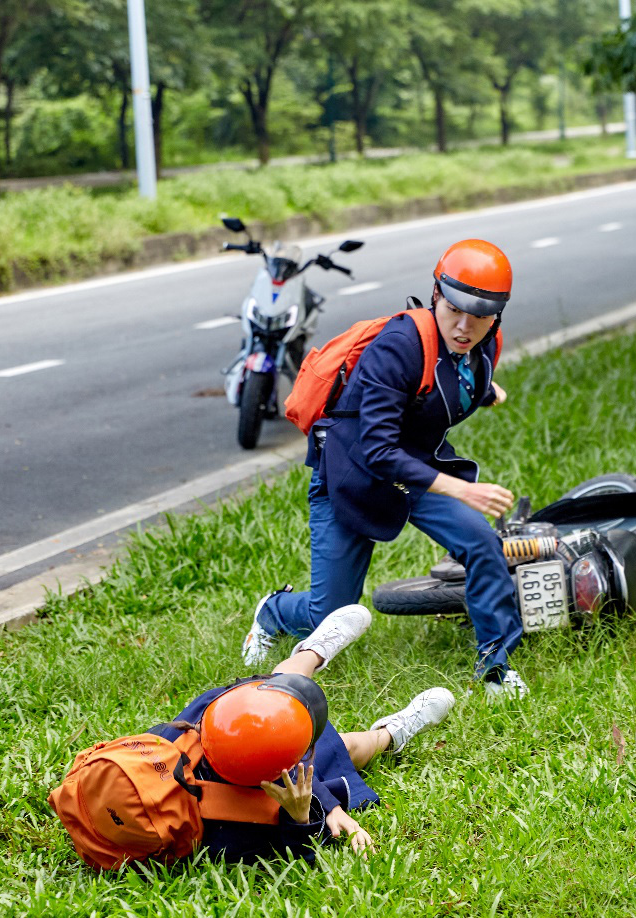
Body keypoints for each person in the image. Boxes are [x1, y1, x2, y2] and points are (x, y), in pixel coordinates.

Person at [242, 239, 528, 698]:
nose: (464, 325)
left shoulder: (483, 344)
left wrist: (485, 391)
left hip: (414, 469)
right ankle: (273, 612)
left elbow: (453, 375)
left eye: (481, 315)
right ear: (436, 294)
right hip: (352, 473)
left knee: (482, 543)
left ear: (497, 314)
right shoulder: (398, 345)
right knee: (329, 613)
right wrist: (461, 490)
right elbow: (377, 449)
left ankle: (494, 666)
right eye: (455, 309)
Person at [152, 604, 453, 862]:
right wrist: (303, 815)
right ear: (277, 773)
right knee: (340, 749)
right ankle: (390, 735)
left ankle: (313, 651)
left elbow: (251, 690)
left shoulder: (182, 729)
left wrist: (330, 805)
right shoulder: (236, 827)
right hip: (269, 785)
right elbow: (298, 857)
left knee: (278, 687)